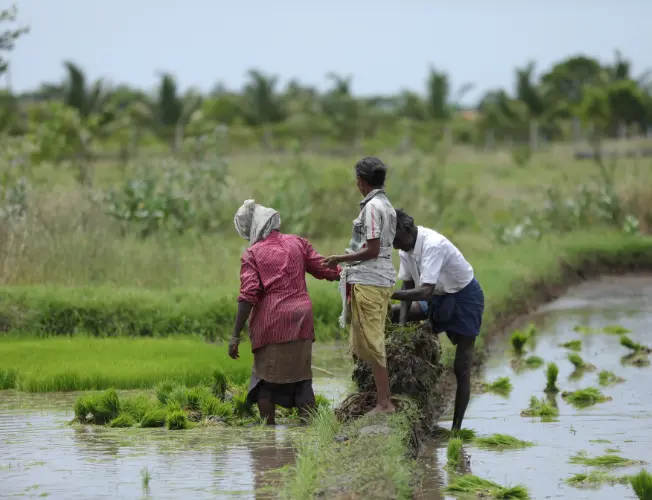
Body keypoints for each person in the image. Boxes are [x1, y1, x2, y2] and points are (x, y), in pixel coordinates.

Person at [229, 199, 341, 425]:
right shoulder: (298, 243)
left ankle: (268, 436)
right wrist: (353, 272)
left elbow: (248, 294)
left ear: (254, 228)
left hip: (271, 322)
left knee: (264, 383)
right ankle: (310, 433)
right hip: (301, 320)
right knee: (302, 380)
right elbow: (325, 268)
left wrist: (235, 335)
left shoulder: (252, 254)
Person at [389, 209, 484, 431]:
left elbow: (425, 291)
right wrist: (402, 328)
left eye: (395, 239)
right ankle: (408, 379)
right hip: (438, 297)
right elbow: (407, 285)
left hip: (464, 298)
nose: (394, 245)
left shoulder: (432, 245)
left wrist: (388, 294)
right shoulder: (406, 248)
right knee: (392, 314)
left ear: (407, 228)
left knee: (462, 367)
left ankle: (456, 431)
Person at [323, 157, 397, 415]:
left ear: (361, 181)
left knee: (373, 342)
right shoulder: (386, 204)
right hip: (379, 278)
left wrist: (339, 259)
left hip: (371, 280)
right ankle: (375, 396)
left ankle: (384, 403)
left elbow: (372, 249)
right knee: (369, 340)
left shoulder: (373, 208)